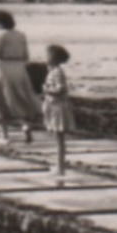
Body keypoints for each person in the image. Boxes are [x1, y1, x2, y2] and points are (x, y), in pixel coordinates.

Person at [0, 9, 43, 143]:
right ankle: (25, 125)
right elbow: (26, 56)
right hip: (19, 68)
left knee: (1, 99)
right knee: (20, 98)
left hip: (3, 67)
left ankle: (4, 135)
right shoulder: (20, 35)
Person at [42, 44, 76, 177]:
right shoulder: (54, 70)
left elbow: (61, 89)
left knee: (59, 140)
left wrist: (47, 90)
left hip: (58, 108)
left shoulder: (57, 72)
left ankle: (60, 168)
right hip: (55, 106)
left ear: (53, 58)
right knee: (59, 139)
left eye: (47, 55)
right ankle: (59, 166)